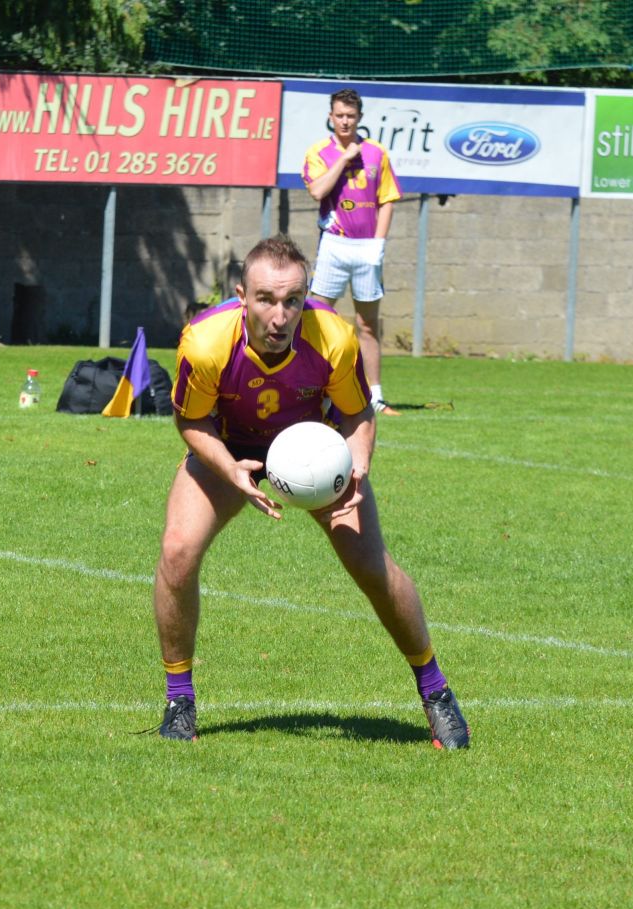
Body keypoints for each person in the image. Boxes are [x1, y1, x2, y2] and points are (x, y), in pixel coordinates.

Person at [150, 235, 468, 749]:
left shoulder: (335, 338)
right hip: (231, 452)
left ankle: (436, 691)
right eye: (266, 300)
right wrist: (231, 470)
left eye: (293, 300)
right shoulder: (205, 342)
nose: (280, 315)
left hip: (319, 459)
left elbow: (358, 413)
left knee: (371, 566)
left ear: (306, 298)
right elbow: (191, 420)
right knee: (177, 550)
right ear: (241, 295)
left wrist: (356, 467)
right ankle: (179, 700)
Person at [302, 88, 402, 416]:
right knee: (315, 317)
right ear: (330, 117)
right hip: (333, 244)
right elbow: (317, 190)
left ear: (359, 118)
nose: (345, 121)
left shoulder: (376, 153)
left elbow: (387, 198)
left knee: (368, 323)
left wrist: (379, 243)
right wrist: (344, 158)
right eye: (339, 115)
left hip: (367, 248)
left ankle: (375, 396)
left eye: (350, 116)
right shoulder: (319, 152)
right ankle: (313, 392)